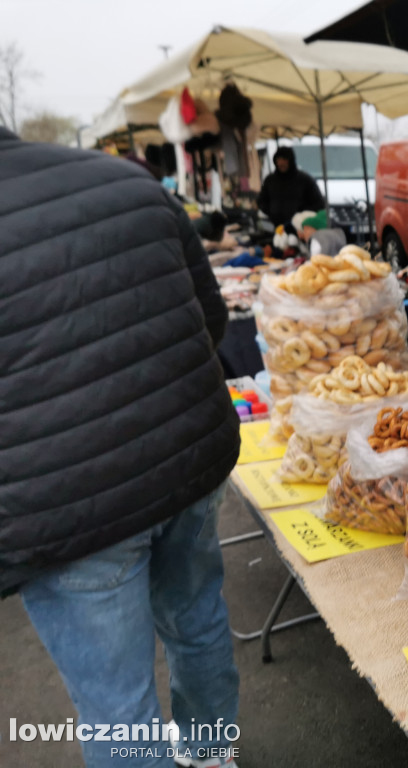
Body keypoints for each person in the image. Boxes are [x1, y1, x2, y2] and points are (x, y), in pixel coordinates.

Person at [0, 128, 242, 768]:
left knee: (116, 702)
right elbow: (210, 318)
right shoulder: (130, 181)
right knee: (198, 623)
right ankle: (213, 758)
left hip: (67, 505)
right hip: (185, 460)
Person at [256, 145, 325, 227]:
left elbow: (319, 204)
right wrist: (272, 213)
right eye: (278, 160)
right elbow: (261, 200)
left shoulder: (305, 180)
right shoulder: (270, 180)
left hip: (299, 227)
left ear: (290, 160)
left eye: (284, 160)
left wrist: (301, 215)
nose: (281, 163)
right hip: (276, 226)